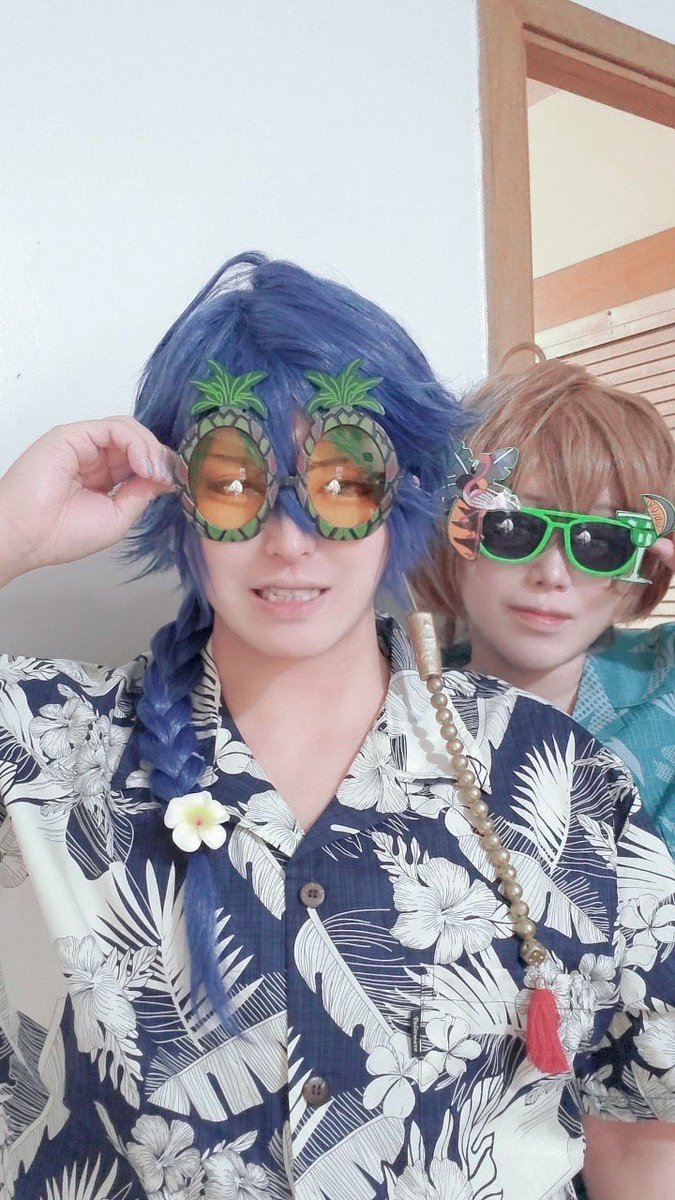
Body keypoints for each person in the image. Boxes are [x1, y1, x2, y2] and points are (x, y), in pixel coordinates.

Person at [0, 257, 673, 1200]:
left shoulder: (556, 771)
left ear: (408, 492)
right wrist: (10, 533)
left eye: (343, 481)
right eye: (234, 482)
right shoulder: (46, 746)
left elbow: (640, 1128)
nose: (289, 541)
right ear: (179, 498)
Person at [418, 354, 675, 857]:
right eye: (512, 529)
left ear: (646, 559)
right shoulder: (389, 703)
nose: (552, 574)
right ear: (451, 536)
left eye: (602, 542)